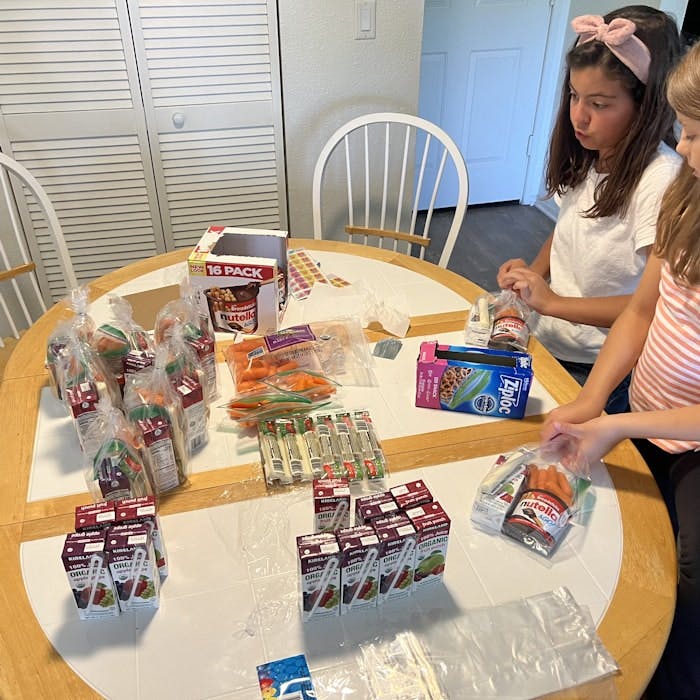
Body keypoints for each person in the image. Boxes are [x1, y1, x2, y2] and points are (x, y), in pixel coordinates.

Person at [542, 38, 700, 699]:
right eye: (685, 129)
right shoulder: (687, 197)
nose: (683, 148)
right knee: (611, 532)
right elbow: (640, 310)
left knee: (685, 578)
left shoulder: (665, 178)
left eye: (696, 132)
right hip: (646, 408)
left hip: (687, 439)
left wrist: (619, 419)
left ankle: (668, 676)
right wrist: (594, 400)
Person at [497, 6, 682, 414]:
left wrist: (553, 303)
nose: (579, 116)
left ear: (646, 105)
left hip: (599, 367)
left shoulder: (661, 180)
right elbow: (568, 230)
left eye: (599, 103)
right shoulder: (595, 154)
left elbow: (650, 306)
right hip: (549, 341)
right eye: (575, 96)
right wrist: (533, 275)